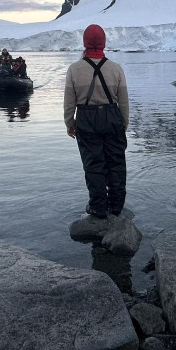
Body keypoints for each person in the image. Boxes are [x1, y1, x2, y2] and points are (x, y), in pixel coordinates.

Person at [64, 24, 129, 218]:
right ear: (104, 43)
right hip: (112, 117)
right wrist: (123, 123)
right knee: (116, 163)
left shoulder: (74, 69)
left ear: (85, 42)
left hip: (86, 118)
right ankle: (117, 206)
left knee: (93, 165)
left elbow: (69, 101)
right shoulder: (116, 69)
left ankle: (98, 207)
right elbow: (123, 100)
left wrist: (69, 123)